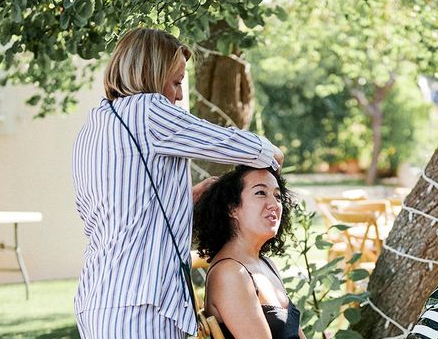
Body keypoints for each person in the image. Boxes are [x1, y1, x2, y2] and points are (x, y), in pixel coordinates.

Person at [72, 28, 283, 338]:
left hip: (100, 299)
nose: (179, 95)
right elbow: (235, 145)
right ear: (153, 75)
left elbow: (119, 212)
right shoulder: (148, 111)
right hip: (140, 308)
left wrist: (184, 199)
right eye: (176, 82)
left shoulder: (93, 127)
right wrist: (271, 153)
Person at [194, 165, 306, 339]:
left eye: (277, 195)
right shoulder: (230, 274)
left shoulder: (265, 263)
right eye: (260, 193)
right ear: (232, 208)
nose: (274, 204)